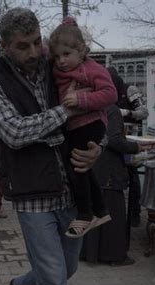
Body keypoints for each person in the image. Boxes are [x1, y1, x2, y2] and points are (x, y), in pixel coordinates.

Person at [0, 8, 101, 285]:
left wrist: (99, 145)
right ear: (5, 45)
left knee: (67, 268)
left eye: (36, 42)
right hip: (31, 195)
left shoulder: (55, 60)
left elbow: (99, 102)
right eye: (23, 46)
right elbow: (15, 133)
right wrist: (65, 112)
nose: (34, 52)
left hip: (72, 186)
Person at [48, 16, 116, 237]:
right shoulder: (59, 69)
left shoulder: (91, 69)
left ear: (82, 51)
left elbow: (110, 94)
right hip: (74, 126)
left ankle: (85, 214)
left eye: (66, 55)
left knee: (76, 169)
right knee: (82, 169)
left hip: (90, 124)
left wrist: (81, 100)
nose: (61, 61)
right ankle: (100, 210)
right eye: (57, 56)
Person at [80, 104, 147, 266]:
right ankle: (113, 255)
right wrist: (136, 147)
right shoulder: (112, 109)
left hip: (92, 164)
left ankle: (89, 253)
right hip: (109, 169)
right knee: (113, 214)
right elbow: (114, 140)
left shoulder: (89, 106)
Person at [107, 67, 149, 227]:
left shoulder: (130, 90)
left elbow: (144, 112)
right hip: (113, 141)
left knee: (133, 176)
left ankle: (134, 214)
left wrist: (126, 113)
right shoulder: (104, 92)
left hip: (130, 139)